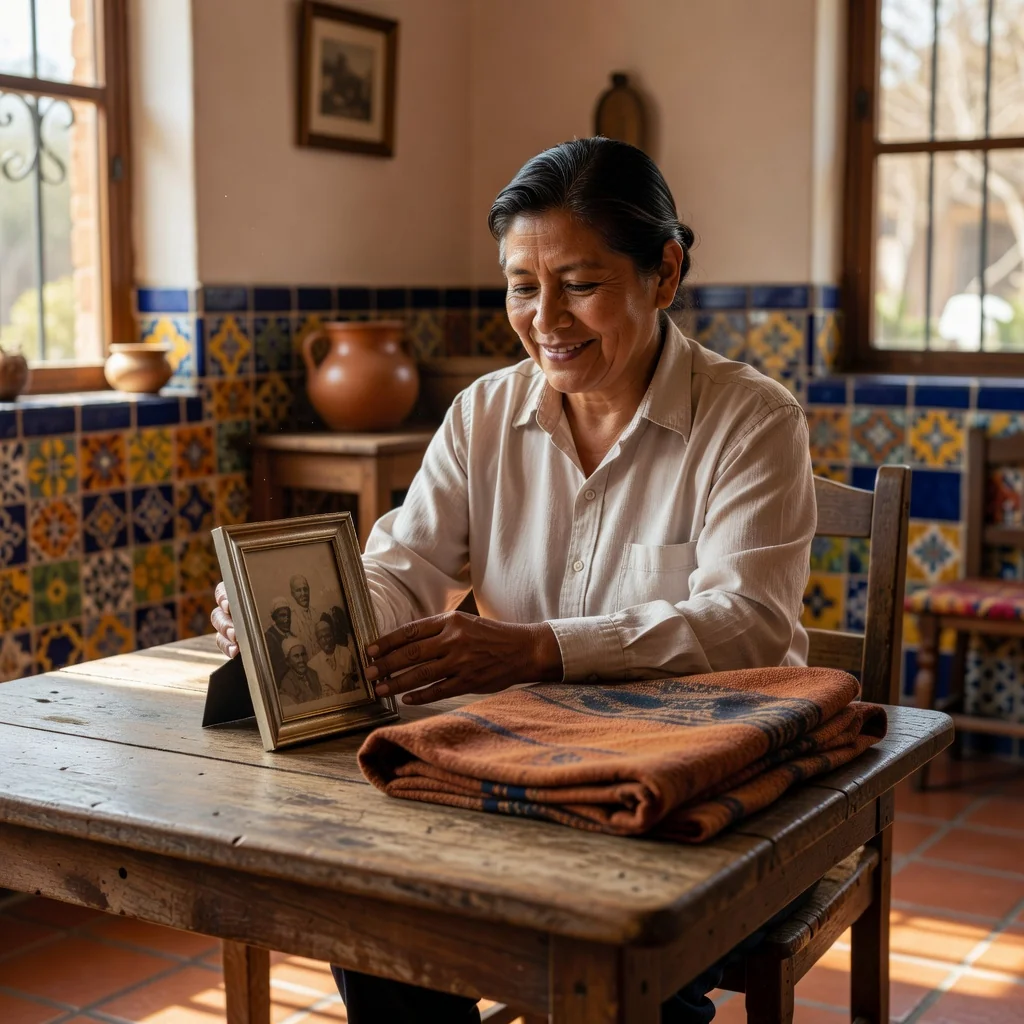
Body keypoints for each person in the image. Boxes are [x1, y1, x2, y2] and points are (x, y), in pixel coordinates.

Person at [213, 138, 815, 1023]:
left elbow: (750, 624)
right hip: (516, 771)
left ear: (666, 271)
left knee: (628, 960)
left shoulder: (751, 420)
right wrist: (319, 613)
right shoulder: (483, 414)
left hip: (692, 789)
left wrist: (538, 647)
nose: (546, 319)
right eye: (522, 287)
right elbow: (405, 567)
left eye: (580, 284)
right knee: (374, 917)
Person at [308, 617, 360, 696]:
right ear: (317, 641)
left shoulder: (347, 652)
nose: (325, 640)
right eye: (321, 638)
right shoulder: (312, 664)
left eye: (327, 636)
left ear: (333, 635)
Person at [277, 638, 323, 710]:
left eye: (303, 654)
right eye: (296, 656)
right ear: (288, 662)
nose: (301, 660)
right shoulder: (286, 684)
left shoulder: (313, 674)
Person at [287, 574, 321, 660]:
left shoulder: (317, 613)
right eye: (298, 590)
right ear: (292, 594)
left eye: (305, 589)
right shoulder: (290, 619)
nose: (303, 594)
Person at [263, 597, 294, 684]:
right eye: (282, 616)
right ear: (274, 618)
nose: (287, 620)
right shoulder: (269, 638)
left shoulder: (292, 636)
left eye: (288, 616)